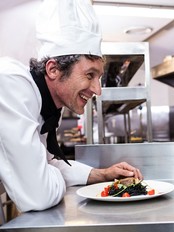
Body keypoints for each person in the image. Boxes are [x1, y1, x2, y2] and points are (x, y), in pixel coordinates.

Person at [0, 0, 143, 212]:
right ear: (53, 69)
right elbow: (38, 196)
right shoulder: (11, 84)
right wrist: (47, 174)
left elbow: (48, 164)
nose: (97, 90)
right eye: (89, 75)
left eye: (99, 78)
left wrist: (102, 174)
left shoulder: (44, 107)